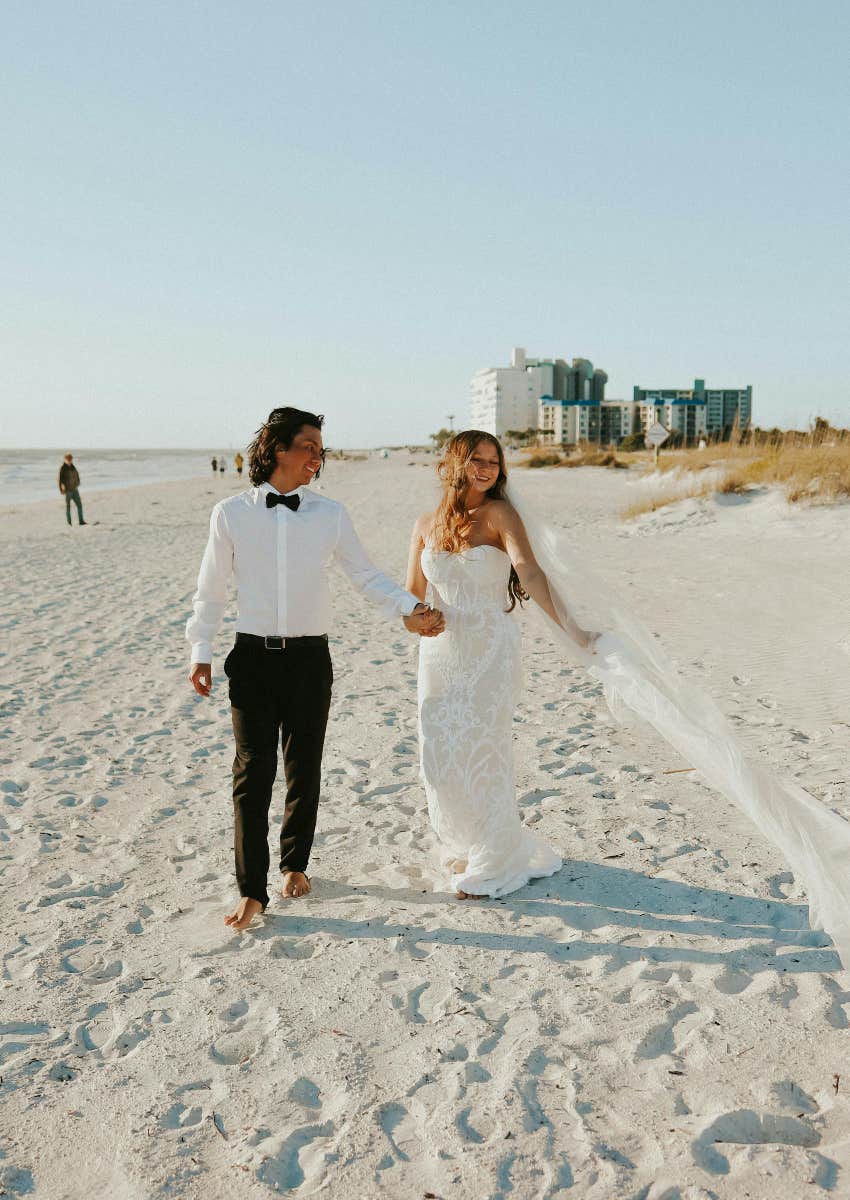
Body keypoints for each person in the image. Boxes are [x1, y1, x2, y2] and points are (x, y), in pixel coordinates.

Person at [187, 407, 445, 932]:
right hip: (252, 658)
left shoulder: (330, 514)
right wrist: (201, 650)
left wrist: (409, 608)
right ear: (278, 448)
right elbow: (211, 589)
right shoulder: (230, 513)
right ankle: (252, 890)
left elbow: (366, 575)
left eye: (321, 450)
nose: (317, 458)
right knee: (251, 775)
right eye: (309, 447)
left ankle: (295, 864)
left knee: (304, 766)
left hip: (310, 659)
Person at [406, 430, 596, 900]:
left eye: (494, 461)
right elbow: (410, 597)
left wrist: (574, 629)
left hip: (490, 647)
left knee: (484, 747)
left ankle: (493, 857)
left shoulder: (499, 514)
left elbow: (529, 571)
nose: (488, 469)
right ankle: (468, 842)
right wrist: (416, 622)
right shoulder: (425, 524)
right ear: (454, 464)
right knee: (440, 751)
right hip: (440, 653)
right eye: (478, 460)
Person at [58, 453, 86, 526]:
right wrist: (61, 489)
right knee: (68, 507)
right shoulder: (63, 468)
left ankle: (81, 521)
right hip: (68, 490)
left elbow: (77, 474)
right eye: (68, 459)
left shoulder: (73, 467)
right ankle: (69, 523)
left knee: (79, 505)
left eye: (70, 459)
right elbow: (59, 480)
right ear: (65, 459)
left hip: (75, 489)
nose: (69, 460)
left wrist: (78, 482)